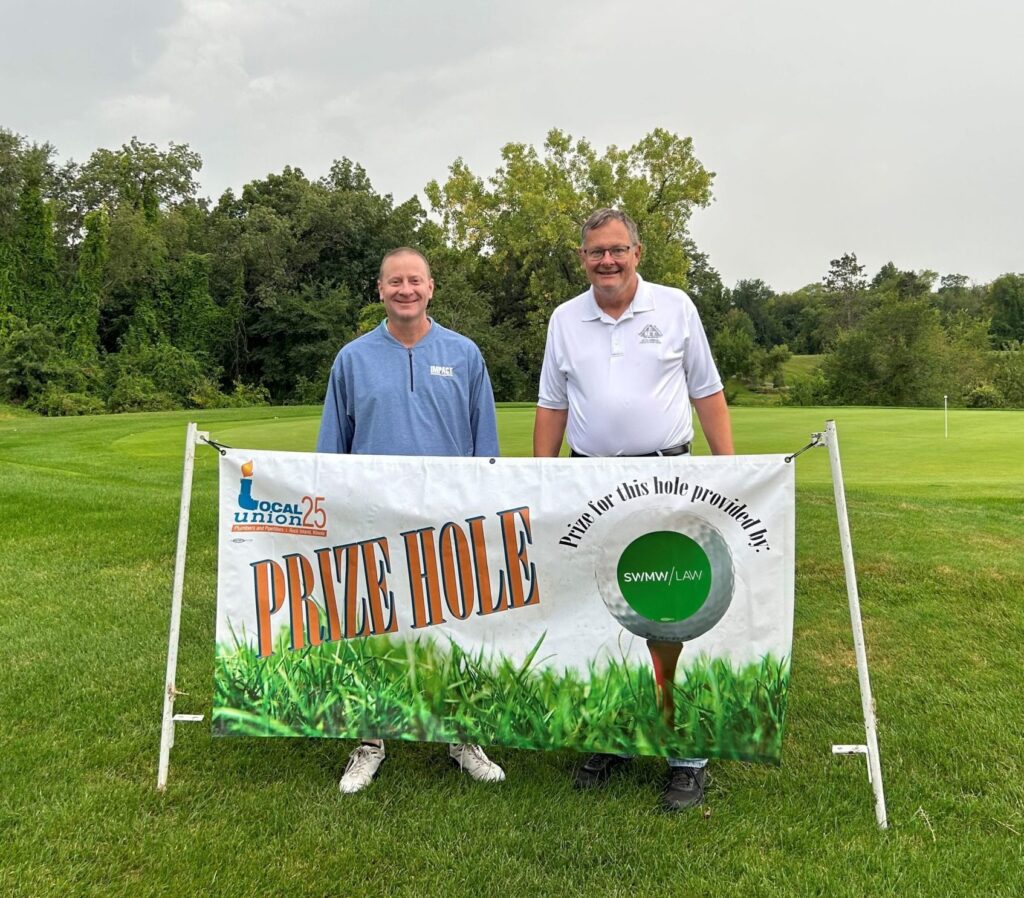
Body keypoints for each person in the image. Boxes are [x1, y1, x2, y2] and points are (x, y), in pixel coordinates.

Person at [533, 208, 734, 812]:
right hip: (590, 478)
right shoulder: (565, 319)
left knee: (673, 608)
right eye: (597, 252)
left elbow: (707, 393)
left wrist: (728, 476)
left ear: (637, 253)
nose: (608, 261)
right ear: (583, 258)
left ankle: (685, 755)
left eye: (618, 250)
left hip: (669, 476)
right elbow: (551, 405)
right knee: (600, 614)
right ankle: (614, 735)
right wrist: (542, 482)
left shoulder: (676, 307)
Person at [317, 246, 505, 794]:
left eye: (415, 281)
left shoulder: (464, 354)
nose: (406, 290)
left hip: (449, 523)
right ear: (380, 290)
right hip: (374, 522)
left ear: (431, 287)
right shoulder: (352, 359)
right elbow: (334, 448)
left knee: (457, 630)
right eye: (395, 282)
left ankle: (461, 737)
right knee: (375, 632)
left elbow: (484, 443)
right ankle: (371, 742)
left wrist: (483, 508)